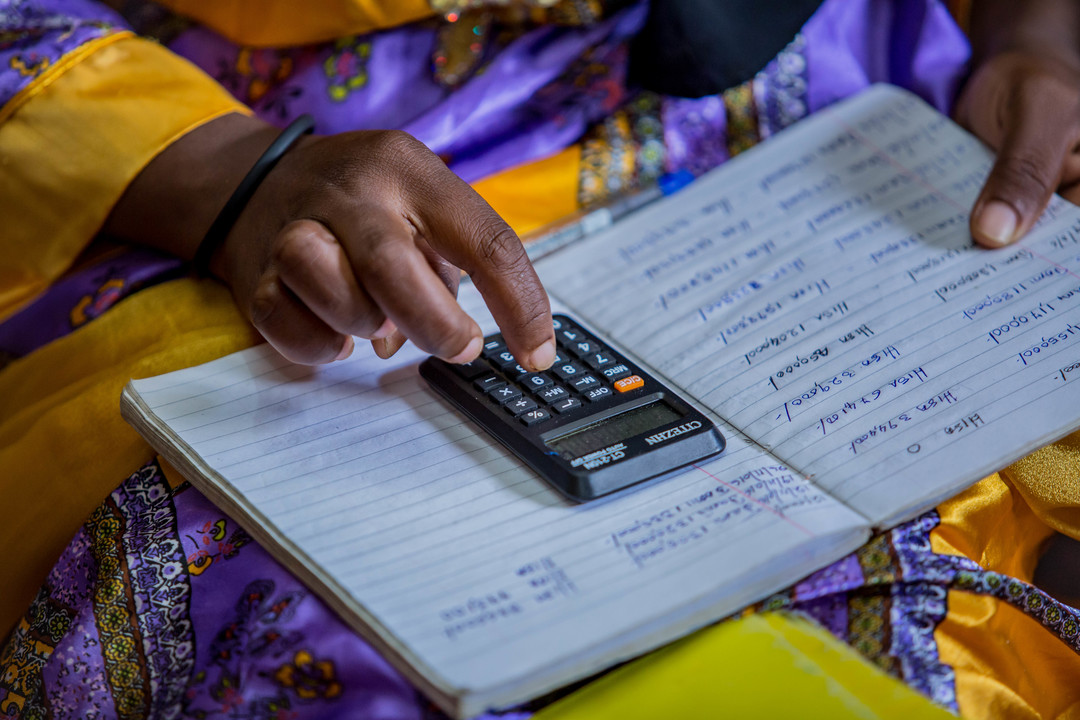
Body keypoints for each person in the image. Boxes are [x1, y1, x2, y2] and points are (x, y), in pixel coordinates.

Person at [3, 0, 1080, 717]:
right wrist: (236, 179)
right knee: (343, 613)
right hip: (250, 151)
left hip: (841, 125)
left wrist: (1036, 37)